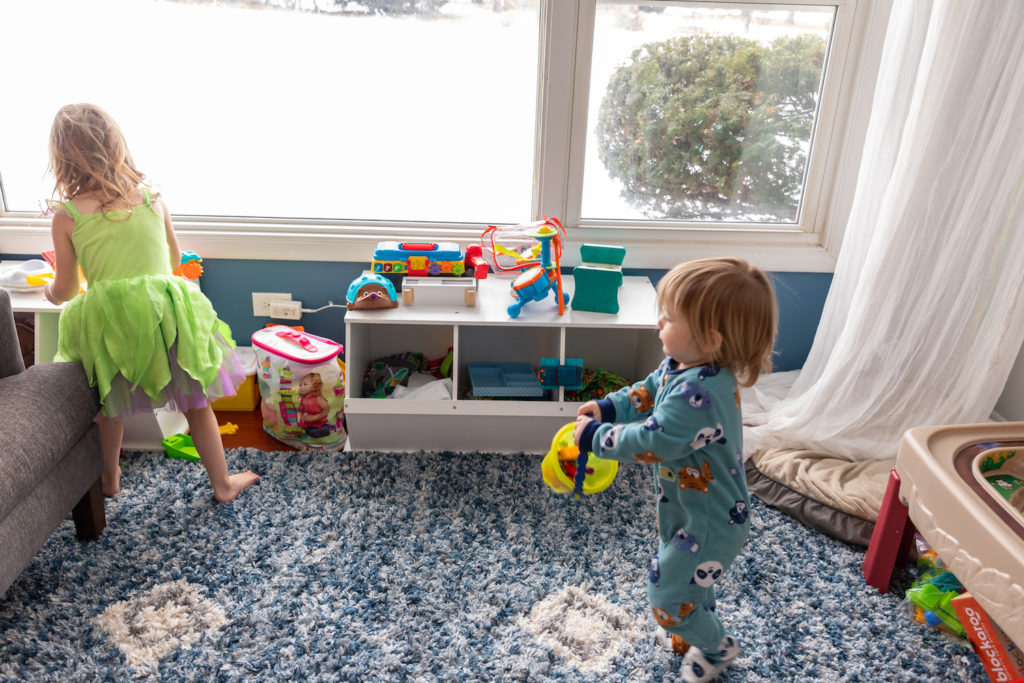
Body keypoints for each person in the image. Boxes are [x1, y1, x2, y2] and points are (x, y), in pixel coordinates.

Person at [43, 103, 259, 503]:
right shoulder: (150, 198)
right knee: (196, 402)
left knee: (110, 405)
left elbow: (68, 289)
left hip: (111, 322)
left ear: (63, 158)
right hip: (164, 315)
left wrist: (48, 293)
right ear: (116, 145)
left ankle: (110, 480)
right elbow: (176, 261)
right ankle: (223, 484)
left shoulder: (68, 216)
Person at [574, 257, 776, 683]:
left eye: (670, 317)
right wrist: (610, 406)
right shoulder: (684, 366)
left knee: (667, 595)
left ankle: (717, 647)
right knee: (691, 586)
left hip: (710, 522)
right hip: (688, 508)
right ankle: (693, 624)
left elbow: (655, 442)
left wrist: (597, 437)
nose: (659, 322)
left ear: (710, 338)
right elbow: (648, 392)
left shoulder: (699, 392)